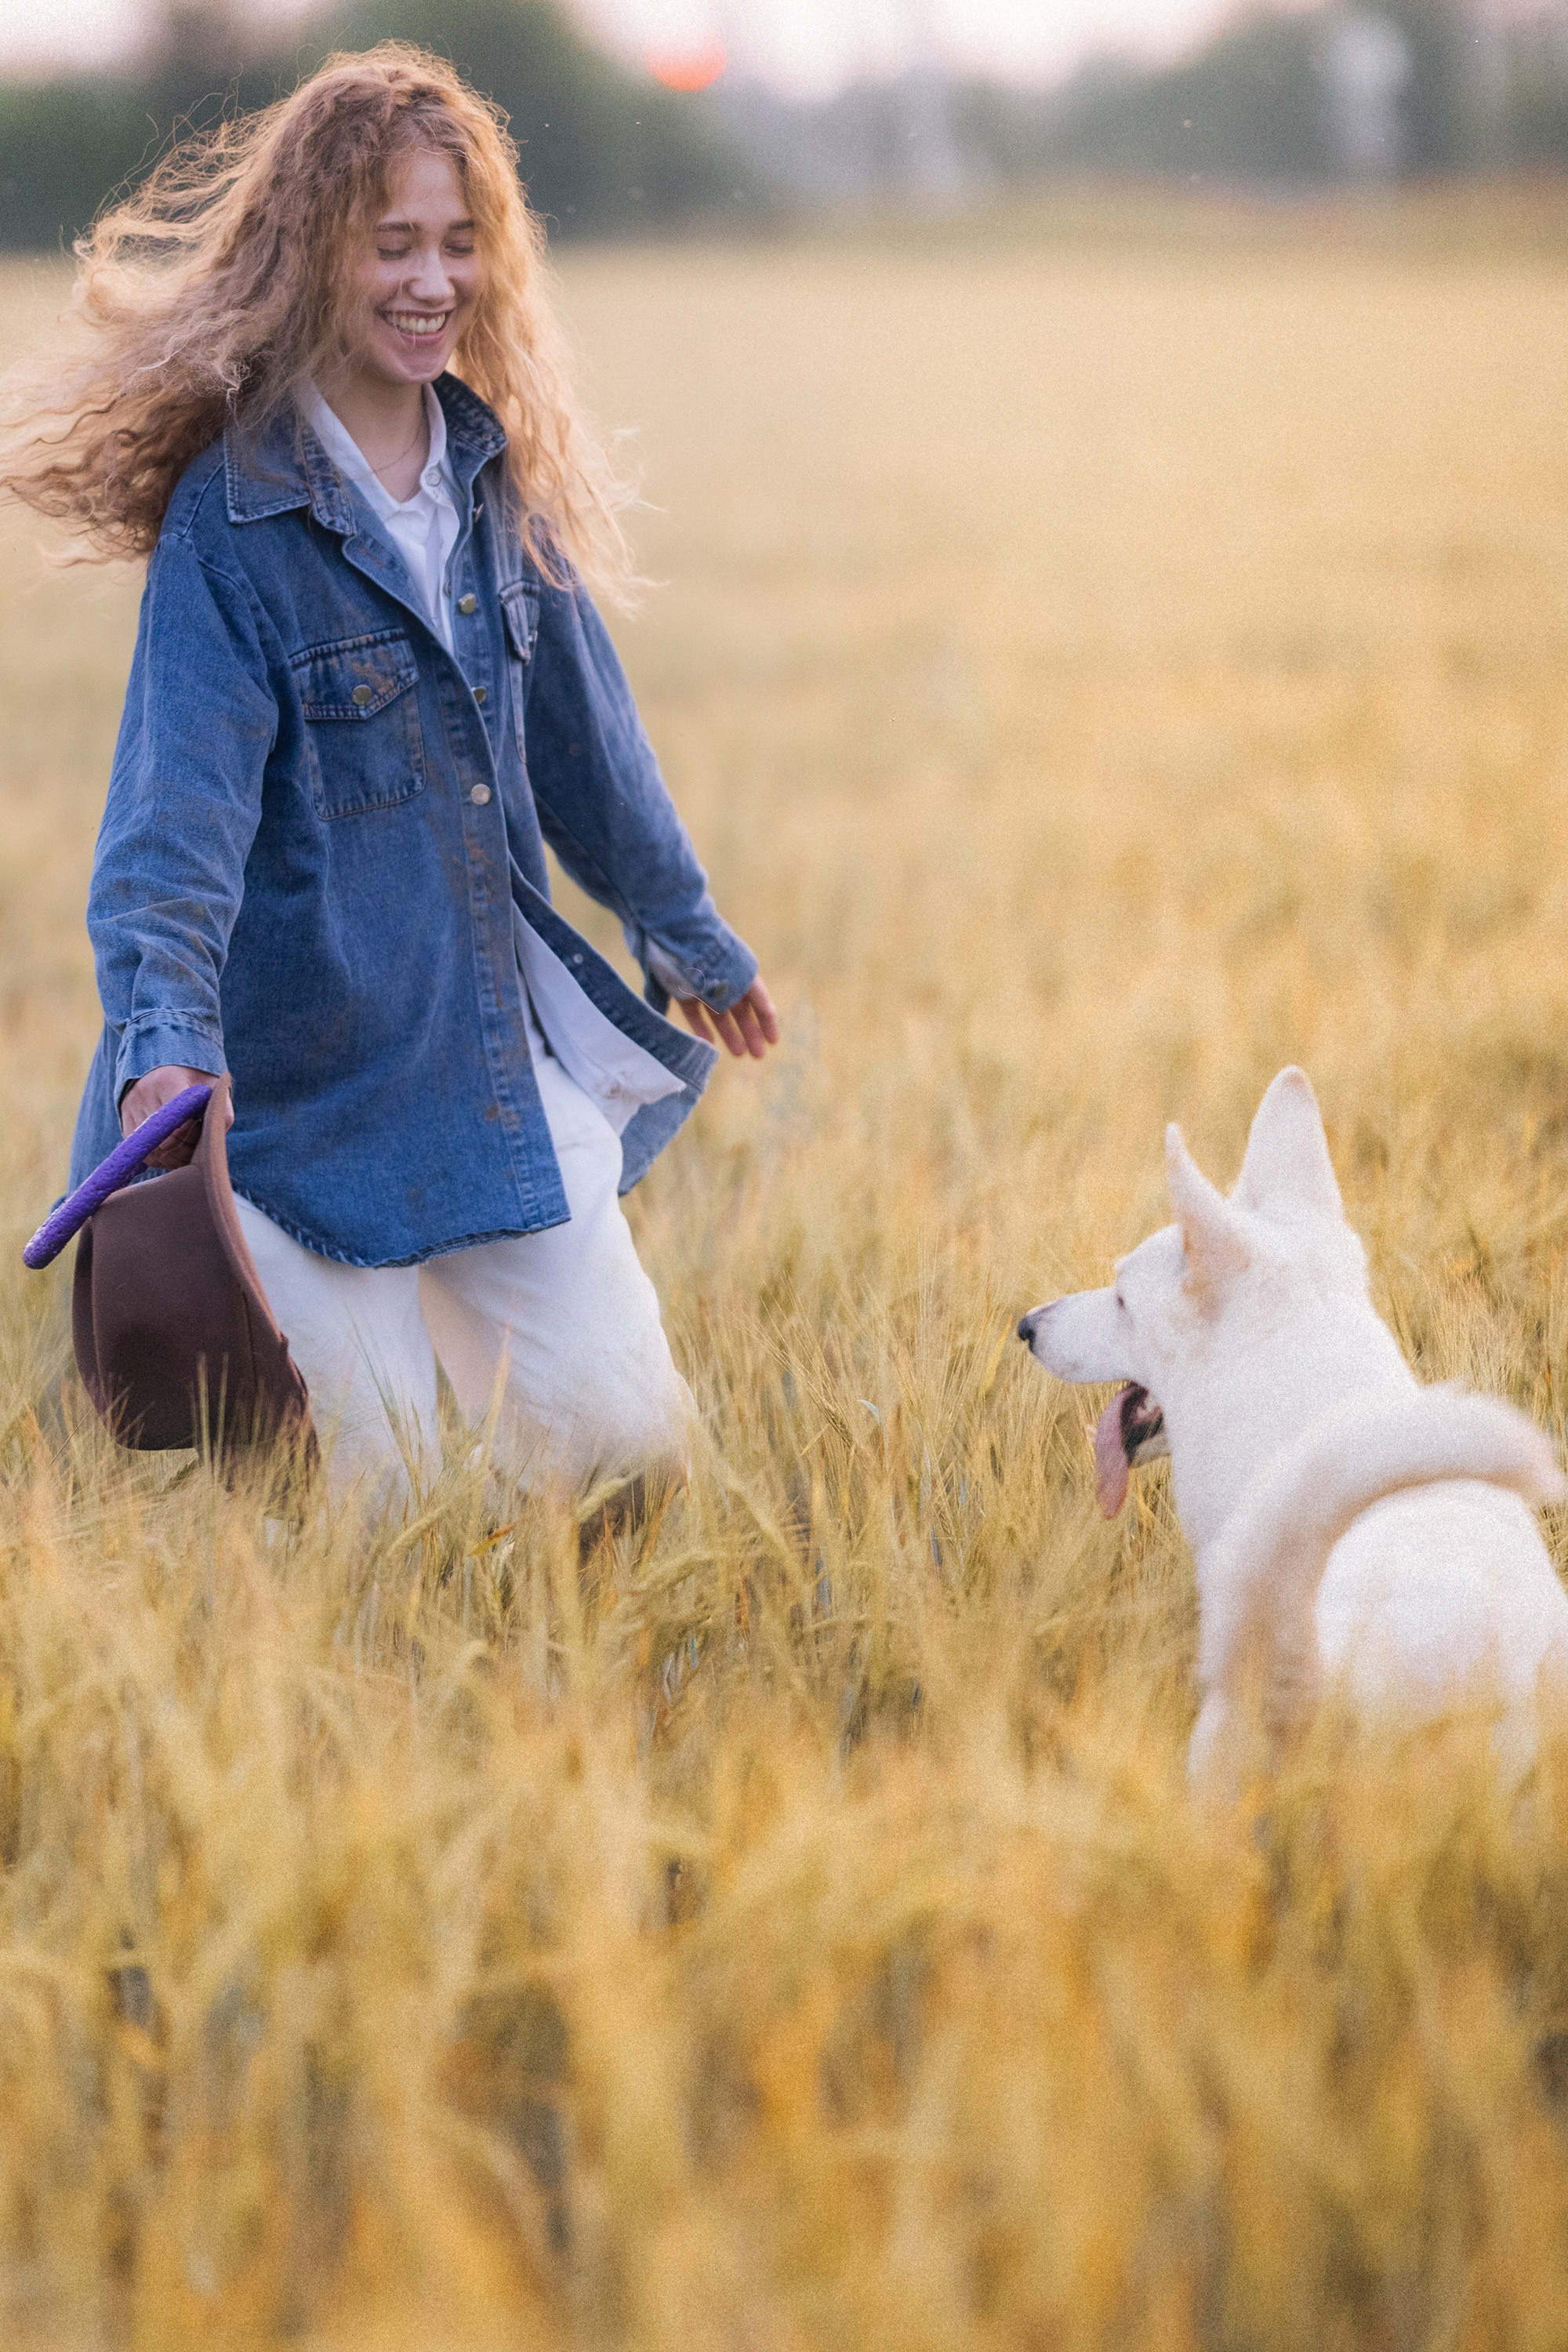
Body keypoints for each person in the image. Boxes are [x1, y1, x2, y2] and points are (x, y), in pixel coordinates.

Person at [2, 45, 779, 1507]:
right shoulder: (233, 526)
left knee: (633, 1460)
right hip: (293, 1112)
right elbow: (171, 831)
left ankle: (577, 1718)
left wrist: (684, 928)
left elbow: (591, 745)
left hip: (482, 1071)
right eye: (395, 244)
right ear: (315, 258)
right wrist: (162, 1044)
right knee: (389, 1521)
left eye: (460, 245)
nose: (434, 281)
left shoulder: (497, 487)